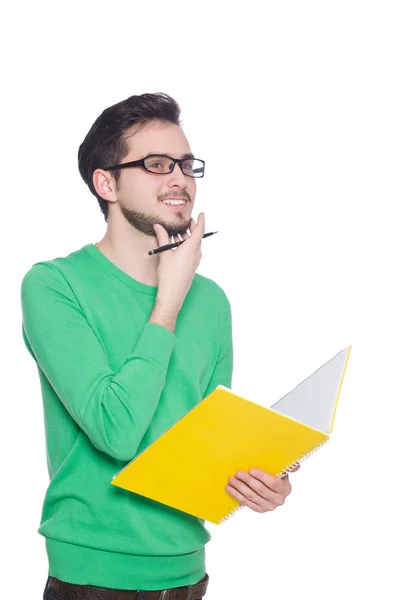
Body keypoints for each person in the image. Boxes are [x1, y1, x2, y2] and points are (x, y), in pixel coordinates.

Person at [20, 93, 296, 600]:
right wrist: (168, 298)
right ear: (106, 182)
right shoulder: (53, 285)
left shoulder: (210, 300)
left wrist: (258, 478)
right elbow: (116, 431)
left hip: (189, 575)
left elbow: (201, 444)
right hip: (93, 579)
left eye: (186, 165)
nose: (180, 179)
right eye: (156, 164)